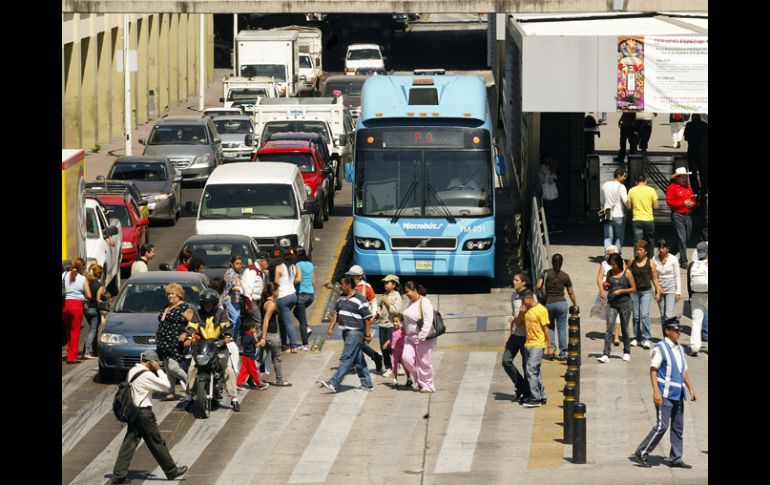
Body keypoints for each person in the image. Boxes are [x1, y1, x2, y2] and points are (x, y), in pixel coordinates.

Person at [110, 350, 188, 484]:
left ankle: (118, 475)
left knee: (129, 443)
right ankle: (171, 470)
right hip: (144, 413)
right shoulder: (146, 374)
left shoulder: (133, 371)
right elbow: (166, 386)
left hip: (134, 412)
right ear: (150, 362)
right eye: (156, 362)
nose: (157, 364)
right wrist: (159, 370)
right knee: (156, 442)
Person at [631, 318, 697, 469]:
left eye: (679, 330)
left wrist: (690, 388)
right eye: (676, 330)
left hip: (678, 394)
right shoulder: (660, 348)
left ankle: (676, 458)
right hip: (665, 394)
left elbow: (683, 371)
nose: (679, 332)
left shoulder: (679, 348)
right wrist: (656, 392)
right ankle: (642, 451)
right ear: (667, 331)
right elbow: (653, 370)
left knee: (678, 427)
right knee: (662, 426)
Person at [183, 288, 242, 411]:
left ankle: (234, 398)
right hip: (202, 347)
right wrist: (188, 337)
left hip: (219, 346)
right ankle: (188, 397)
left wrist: (227, 336)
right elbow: (191, 327)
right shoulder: (197, 313)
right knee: (192, 368)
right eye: (205, 303)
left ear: (214, 304)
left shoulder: (221, 313)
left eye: (209, 303)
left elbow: (226, 326)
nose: (207, 306)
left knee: (228, 370)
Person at [317, 275, 374, 393]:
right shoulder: (340, 298)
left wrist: (368, 334)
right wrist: (330, 328)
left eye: (342, 284)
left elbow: (367, 318)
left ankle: (333, 382)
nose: (340, 286)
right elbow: (335, 314)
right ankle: (367, 384)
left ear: (348, 285)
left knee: (346, 358)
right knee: (358, 359)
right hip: (346, 332)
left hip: (355, 333)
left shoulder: (360, 299)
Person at [536, 254, 579, 361]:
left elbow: (538, 286)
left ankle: (551, 351)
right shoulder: (565, 276)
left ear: (552, 262)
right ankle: (563, 353)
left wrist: (541, 277)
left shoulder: (546, 273)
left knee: (550, 327)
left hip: (548, 304)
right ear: (562, 263)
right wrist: (575, 304)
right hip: (561, 304)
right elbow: (570, 292)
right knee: (562, 328)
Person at [156, 283, 193, 401]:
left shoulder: (184, 307)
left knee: (173, 367)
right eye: (169, 294)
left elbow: (193, 323)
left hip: (175, 341)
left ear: (179, 295)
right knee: (167, 367)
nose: (170, 296)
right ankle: (171, 391)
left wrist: (187, 334)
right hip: (163, 341)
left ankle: (192, 385)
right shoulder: (167, 307)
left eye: (173, 293)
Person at [515, 291, 552, 407]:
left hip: (538, 344)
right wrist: (521, 313)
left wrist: (550, 346)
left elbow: (546, 329)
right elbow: (518, 324)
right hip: (528, 344)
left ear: (529, 298)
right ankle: (541, 395)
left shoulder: (541, 310)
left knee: (530, 369)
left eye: (523, 300)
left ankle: (535, 398)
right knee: (536, 371)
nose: (522, 303)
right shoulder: (525, 310)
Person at [400, 281, 438, 393]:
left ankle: (427, 385)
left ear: (415, 290)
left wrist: (422, 336)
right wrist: (403, 327)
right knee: (406, 358)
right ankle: (418, 380)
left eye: (408, 292)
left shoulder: (424, 302)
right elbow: (407, 317)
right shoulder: (411, 302)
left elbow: (428, 320)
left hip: (423, 338)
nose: (406, 294)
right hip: (410, 337)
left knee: (424, 362)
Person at [598, 253, 636, 363]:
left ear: (619, 263)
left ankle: (626, 351)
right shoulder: (610, 273)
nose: (612, 266)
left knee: (624, 328)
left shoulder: (627, 273)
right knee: (609, 328)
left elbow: (633, 289)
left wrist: (621, 291)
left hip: (624, 303)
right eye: (611, 264)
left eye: (614, 264)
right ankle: (606, 354)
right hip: (611, 303)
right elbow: (607, 286)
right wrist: (605, 286)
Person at [346, 265, 384, 373]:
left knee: (355, 341)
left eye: (352, 276)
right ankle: (375, 357)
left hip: (362, 320)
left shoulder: (365, 287)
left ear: (358, 277)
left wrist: (372, 315)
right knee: (356, 342)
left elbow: (373, 301)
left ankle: (356, 363)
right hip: (352, 319)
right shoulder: (349, 286)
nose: (350, 278)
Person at [502, 272, 531, 402]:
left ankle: (528, 392)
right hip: (515, 335)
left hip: (526, 336)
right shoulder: (514, 296)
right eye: (514, 280)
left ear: (523, 282)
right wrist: (509, 334)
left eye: (516, 280)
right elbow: (513, 317)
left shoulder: (529, 296)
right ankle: (520, 385)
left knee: (527, 366)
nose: (514, 282)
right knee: (506, 361)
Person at [628, 240, 663, 350]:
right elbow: (627, 274)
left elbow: (654, 278)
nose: (638, 252)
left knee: (644, 315)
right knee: (636, 316)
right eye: (637, 249)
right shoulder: (632, 261)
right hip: (634, 292)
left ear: (646, 251)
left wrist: (657, 291)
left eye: (641, 250)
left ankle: (647, 338)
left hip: (646, 292)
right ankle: (637, 337)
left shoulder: (651, 263)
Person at [259, 282, 292, 386]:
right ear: (273, 292)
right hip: (271, 335)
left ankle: (252, 377)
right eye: (277, 290)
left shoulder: (264, 303)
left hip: (266, 335)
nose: (279, 292)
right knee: (277, 358)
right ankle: (280, 380)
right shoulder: (272, 305)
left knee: (261, 358)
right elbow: (266, 320)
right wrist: (264, 337)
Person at [62, 257, 92, 364]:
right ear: (82, 267)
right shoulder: (83, 279)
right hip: (76, 306)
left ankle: (70, 353)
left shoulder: (64, 275)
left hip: (65, 305)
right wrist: (85, 302)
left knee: (68, 331)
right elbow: (88, 295)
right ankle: (72, 357)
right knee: (75, 332)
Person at [665, 167, 696, 269]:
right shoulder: (671, 188)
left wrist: (692, 203)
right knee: (682, 238)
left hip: (688, 215)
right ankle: (683, 261)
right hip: (678, 215)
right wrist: (683, 203)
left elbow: (692, 199)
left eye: (686, 177)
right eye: (683, 177)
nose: (685, 179)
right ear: (677, 178)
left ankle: (670, 253)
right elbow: (669, 202)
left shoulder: (688, 187)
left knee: (685, 238)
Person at [377, 274, 404, 378]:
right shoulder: (384, 295)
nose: (385, 284)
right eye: (384, 282)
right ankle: (388, 367)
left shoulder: (396, 296)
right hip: (382, 324)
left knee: (390, 347)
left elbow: (395, 310)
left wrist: (386, 301)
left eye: (387, 282)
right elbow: (379, 308)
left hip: (391, 325)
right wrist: (377, 314)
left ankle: (399, 364)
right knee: (383, 348)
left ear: (394, 284)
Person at [274, 251, 301, 352]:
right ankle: (284, 343)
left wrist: (273, 298)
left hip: (283, 297)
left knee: (287, 322)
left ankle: (293, 345)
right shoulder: (294, 267)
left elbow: (276, 285)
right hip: (292, 296)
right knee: (282, 320)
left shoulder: (279, 268)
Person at [596, 246, 623, 346]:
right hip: (606, 293)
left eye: (610, 253)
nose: (607, 255)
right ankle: (610, 334)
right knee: (609, 315)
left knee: (618, 315)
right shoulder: (604, 264)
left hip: (617, 292)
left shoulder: (621, 264)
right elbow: (599, 278)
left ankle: (616, 337)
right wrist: (601, 290)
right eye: (607, 253)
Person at [652, 240, 681, 326]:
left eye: (663, 247)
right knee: (662, 315)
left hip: (671, 288)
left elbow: (677, 275)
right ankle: (665, 336)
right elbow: (654, 276)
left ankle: (669, 337)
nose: (661, 250)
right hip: (659, 288)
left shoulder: (673, 259)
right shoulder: (654, 259)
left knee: (668, 315)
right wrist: (657, 288)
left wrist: (678, 291)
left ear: (667, 248)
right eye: (659, 248)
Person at [686, 242, 708, 357]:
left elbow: (689, 284)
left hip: (695, 295)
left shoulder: (692, 265)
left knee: (696, 322)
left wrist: (690, 297)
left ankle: (694, 348)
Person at [627, 174, 658, 251]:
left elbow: (628, 207)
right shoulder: (652, 190)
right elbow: (656, 206)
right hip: (649, 219)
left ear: (636, 182)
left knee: (637, 242)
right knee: (650, 240)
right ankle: (650, 259)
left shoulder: (631, 190)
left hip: (637, 219)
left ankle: (637, 260)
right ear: (645, 181)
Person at [601, 168, 629, 254]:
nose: (625, 178)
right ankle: (616, 257)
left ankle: (608, 255)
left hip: (606, 212)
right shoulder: (621, 186)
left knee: (607, 237)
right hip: (618, 214)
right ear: (619, 175)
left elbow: (602, 200)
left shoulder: (605, 185)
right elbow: (625, 201)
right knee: (619, 237)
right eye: (624, 176)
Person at [235, 319, 269, 390]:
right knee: (255, 371)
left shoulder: (244, 335)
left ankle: (238, 383)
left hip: (245, 356)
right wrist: (260, 342)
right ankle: (259, 384)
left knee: (244, 371)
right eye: (254, 327)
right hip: (250, 357)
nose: (255, 329)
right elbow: (256, 345)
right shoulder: (251, 336)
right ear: (251, 328)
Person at [82, 263, 106, 360]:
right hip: (94, 310)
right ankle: (86, 351)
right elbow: (98, 299)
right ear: (100, 274)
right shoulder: (100, 285)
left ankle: (95, 351)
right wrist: (104, 307)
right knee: (93, 331)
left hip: (87, 309)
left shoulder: (87, 281)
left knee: (93, 330)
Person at [294, 247, 315, 351]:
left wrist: (291, 284)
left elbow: (298, 279)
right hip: (311, 295)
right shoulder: (310, 264)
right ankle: (307, 327)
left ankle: (305, 344)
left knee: (302, 321)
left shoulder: (298, 264)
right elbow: (313, 280)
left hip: (301, 294)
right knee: (296, 312)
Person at [241, 251, 269, 330]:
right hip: (250, 300)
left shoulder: (260, 272)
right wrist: (249, 305)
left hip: (255, 301)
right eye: (267, 261)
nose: (268, 263)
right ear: (261, 261)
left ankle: (251, 340)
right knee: (258, 321)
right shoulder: (252, 271)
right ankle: (257, 340)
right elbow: (247, 289)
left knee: (250, 323)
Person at [382, 314, 410, 389]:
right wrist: (387, 343)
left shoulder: (402, 330)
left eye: (397, 321)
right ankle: (395, 380)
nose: (394, 323)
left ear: (401, 322)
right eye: (393, 321)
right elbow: (392, 339)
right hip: (394, 352)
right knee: (394, 367)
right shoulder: (393, 330)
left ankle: (409, 379)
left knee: (405, 366)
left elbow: (407, 335)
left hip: (402, 352)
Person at [684, 114, 708, 196]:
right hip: (704, 152)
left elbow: (686, 138)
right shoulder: (705, 125)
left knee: (692, 172)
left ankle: (695, 189)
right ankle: (704, 188)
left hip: (692, 152)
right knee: (704, 172)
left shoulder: (689, 125)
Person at [223, 255, 244, 344]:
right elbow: (234, 287)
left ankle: (234, 342)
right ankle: (230, 342)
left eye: (240, 264)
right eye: (237, 263)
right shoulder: (230, 273)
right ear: (232, 264)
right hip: (229, 299)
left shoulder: (238, 273)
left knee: (237, 322)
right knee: (235, 320)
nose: (239, 265)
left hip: (237, 300)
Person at [538, 155, 559, 229]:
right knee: (549, 209)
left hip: (549, 191)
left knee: (550, 209)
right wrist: (551, 169)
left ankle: (549, 224)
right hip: (547, 191)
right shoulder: (543, 168)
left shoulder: (546, 168)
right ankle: (549, 225)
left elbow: (554, 177)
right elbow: (547, 179)